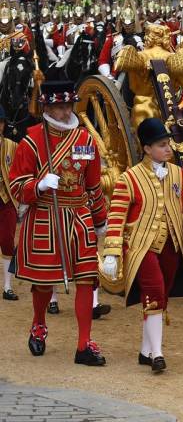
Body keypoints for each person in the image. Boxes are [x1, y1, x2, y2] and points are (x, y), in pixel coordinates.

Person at [6, 75, 107, 366]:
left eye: (69, 106)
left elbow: (93, 185)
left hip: (79, 217)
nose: (65, 112)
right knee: (43, 283)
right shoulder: (31, 141)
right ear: (47, 109)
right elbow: (16, 186)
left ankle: (83, 344)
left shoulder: (86, 140)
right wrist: (37, 184)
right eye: (59, 108)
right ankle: (38, 324)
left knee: (87, 279)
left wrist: (100, 221)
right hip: (45, 217)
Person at [100, 118, 183, 373]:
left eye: (168, 144)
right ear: (147, 148)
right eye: (161, 145)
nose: (168, 149)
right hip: (140, 246)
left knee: (161, 296)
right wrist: (112, 252)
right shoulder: (129, 178)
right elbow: (116, 216)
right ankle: (158, 353)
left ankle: (146, 351)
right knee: (155, 290)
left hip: (172, 245)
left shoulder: (180, 175)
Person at [0, 105, 16, 301]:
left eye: (1, 122)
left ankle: (7, 286)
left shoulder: (13, 146)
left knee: (7, 242)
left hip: (7, 198)